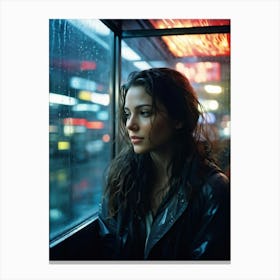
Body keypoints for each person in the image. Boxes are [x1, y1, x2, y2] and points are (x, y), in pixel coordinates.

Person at [97, 67, 230, 260]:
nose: (129, 124)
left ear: (178, 119)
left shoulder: (213, 190)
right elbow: (107, 251)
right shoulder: (121, 179)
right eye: (127, 114)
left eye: (144, 112)